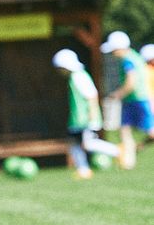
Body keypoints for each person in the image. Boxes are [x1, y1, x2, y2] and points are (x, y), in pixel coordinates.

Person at [51, 49, 121, 179]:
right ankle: (83, 169)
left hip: (86, 119)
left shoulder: (79, 76)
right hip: (77, 120)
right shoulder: (74, 77)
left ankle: (117, 151)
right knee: (74, 144)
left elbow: (91, 96)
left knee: (88, 143)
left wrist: (92, 116)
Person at [100, 31, 154, 168]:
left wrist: (118, 94)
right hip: (133, 100)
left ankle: (129, 159)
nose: (112, 54)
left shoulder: (128, 61)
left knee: (150, 131)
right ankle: (128, 162)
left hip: (138, 100)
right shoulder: (135, 57)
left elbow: (131, 82)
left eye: (113, 50)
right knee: (124, 129)